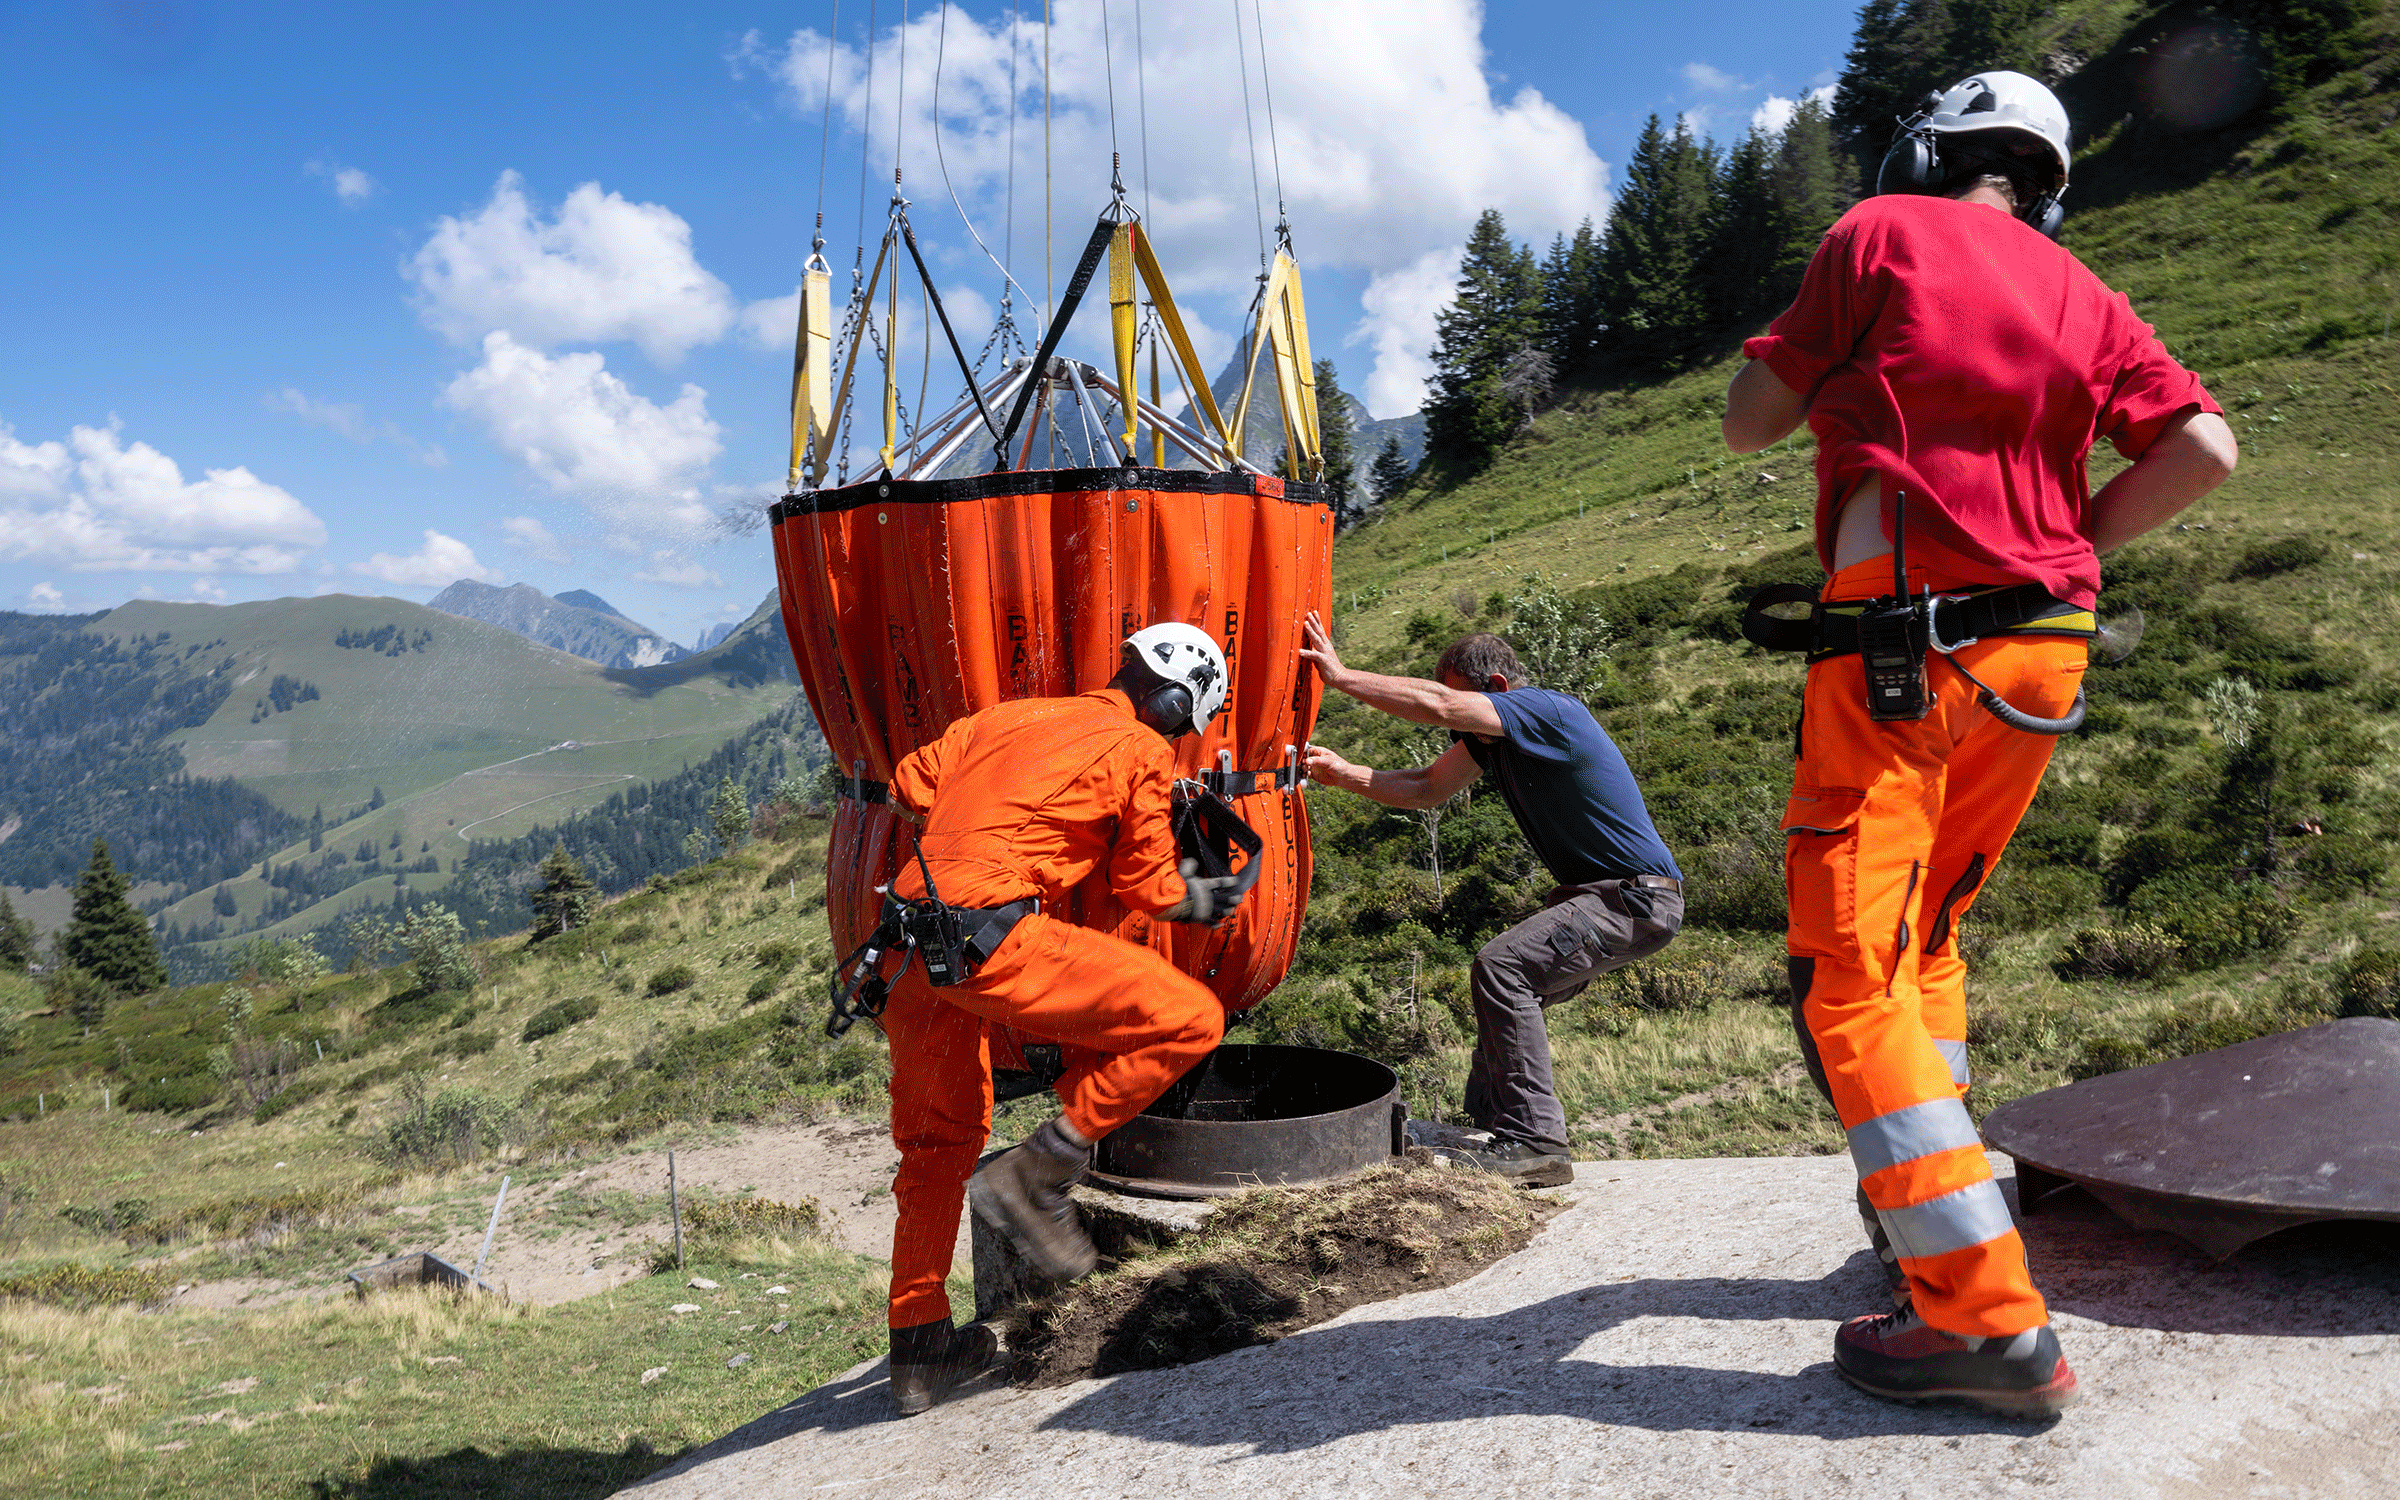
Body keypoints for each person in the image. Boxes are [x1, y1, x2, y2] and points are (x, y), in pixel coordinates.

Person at [1723, 69, 2239, 1416]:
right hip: (2044, 650)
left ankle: (1984, 1321)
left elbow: (1749, 425)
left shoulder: (1879, 232)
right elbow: (2207, 447)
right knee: (1930, 936)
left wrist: (1811, 355)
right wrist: (2073, 552)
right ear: (2047, 186)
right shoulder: (2089, 296)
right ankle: (1926, 1215)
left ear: (1927, 146)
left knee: (1845, 970)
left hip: (1902, 653)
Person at [869, 623, 1252, 1417]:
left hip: (906, 949)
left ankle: (920, 1349)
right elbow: (1145, 884)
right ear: (1176, 700)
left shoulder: (1001, 719)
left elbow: (911, 782)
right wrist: (1205, 899)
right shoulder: (1140, 750)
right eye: (1184, 724)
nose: (1179, 740)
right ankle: (1039, 1170)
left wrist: (1000, 811)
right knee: (1191, 1020)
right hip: (985, 938)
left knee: (937, 1148)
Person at [1297, 619, 1684, 1187]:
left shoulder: (1544, 711)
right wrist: (1343, 774)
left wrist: (1342, 677)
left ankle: (1535, 1142)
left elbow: (1439, 705)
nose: (1456, 715)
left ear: (1498, 687)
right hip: (1616, 899)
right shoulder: (1496, 740)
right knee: (1506, 985)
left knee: (1502, 968)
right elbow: (1426, 788)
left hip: (1633, 898)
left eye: (1464, 697)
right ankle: (1488, 1129)